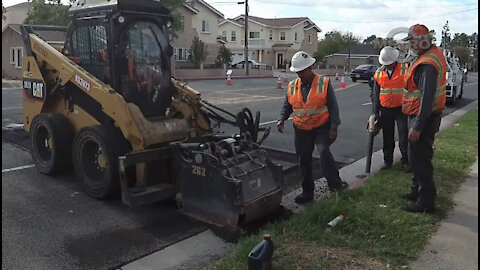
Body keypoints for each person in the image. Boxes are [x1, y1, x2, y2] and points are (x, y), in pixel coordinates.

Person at [277, 51, 348, 204]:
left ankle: (335, 184)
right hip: (301, 129)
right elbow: (287, 106)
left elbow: (333, 107)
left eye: (302, 71)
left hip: (321, 127)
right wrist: (281, 119)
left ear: (310, 68)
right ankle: (307, 192)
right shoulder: (292, 86)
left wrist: (334, 127)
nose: (300, 75)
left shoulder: (324, 83)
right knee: (303, 160)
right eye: (297, 72)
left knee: (323, 153)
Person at [401, 24, 447, 213]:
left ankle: (425, 202)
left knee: (420, 160)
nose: (411, 45)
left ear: (423, 40)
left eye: (412, 41)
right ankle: (416, 191)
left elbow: (426, 98)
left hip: (423, 117)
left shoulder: (427, 64)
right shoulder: (433, 54)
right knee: (418, 157)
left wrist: (418, 126)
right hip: (429, 115)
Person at [372, 46, 410, 171]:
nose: (387, 66)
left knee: (404, 136)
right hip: (386, 110)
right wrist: (375, 113)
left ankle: (406, 161)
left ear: (395, 60)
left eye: (389, 64)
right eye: (385, 64)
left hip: (401, 109)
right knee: (387, 138)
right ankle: (388, 161)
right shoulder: (378, 73)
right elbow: (376, 94)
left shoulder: (406, 69)